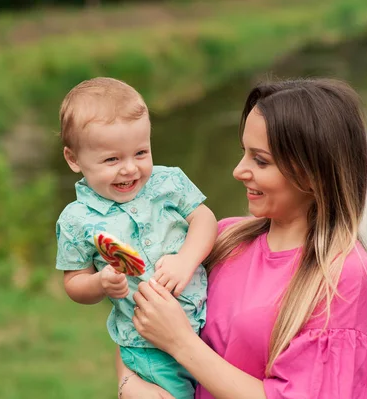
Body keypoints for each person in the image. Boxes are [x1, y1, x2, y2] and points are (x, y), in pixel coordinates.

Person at [116, 78, 367, 399]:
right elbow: (134, 315)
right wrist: (129, 386)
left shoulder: (343, 275)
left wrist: (180, 342)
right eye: (243, 153)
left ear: (314, 174)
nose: (238, 170)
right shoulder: (221, 239)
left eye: (260, 160)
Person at [55, 77, 218, 399]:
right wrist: (100, 283)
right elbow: (74, 282)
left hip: (208, 324)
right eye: (112, 160)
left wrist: (186, 260)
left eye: (141, 152)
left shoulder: (168, 182)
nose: (130, 169)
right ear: (74, 159)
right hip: (146, 345)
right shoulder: (76, 221)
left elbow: (204, 219)